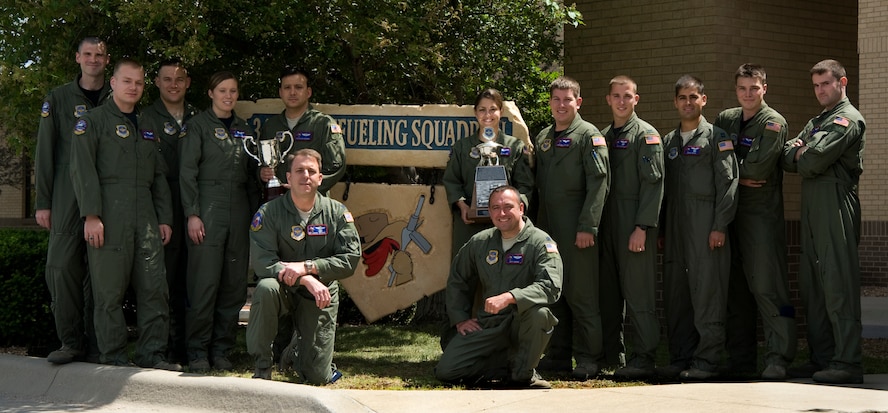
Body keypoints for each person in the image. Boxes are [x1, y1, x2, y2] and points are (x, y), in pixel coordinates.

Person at [69, 58, 179, 371]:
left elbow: (158, 176)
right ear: (113, 83)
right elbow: (82, 171)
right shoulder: (92, 122)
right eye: (127, 81)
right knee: (108, 294)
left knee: (155, 289)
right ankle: (113, 357)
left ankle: (152, 355)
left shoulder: (147, 126)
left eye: (139, 83)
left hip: (145, 218)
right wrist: (91, 215)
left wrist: (164, 217)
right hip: (108, 217)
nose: (133, 87)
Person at [782, 59, 866, 384]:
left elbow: (811, 160)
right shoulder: (818, 121)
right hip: (812, 205)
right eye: (816, 85)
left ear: (842, 83)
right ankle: (822, 357)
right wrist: (804, 153)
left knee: (837, 284)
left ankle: (847, 361)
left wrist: (806, 153)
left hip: (835, 204)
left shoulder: (847, 119)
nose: (820, 91)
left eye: (825, 84)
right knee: (813, 285)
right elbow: (787, 156)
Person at [246, 149, 361, 384]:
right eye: (299, 170)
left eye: (311, 171)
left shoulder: (337, 213)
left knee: (318, 376)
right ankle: (262, 366)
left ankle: (296, 349)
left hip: (320, 295)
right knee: (266, 287)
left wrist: (308, 267)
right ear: (288, 178)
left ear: (321, 178)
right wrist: (305, 277)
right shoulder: (269, 213)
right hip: (282, 288)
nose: (305, 175)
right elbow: (262, 262)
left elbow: (351, 258)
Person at [714, 63, 796, 380]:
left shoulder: (773, 123)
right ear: (736, 90)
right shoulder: (726, 119)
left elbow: (758, 169)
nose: (748, 94)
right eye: (742, 88)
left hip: (761, 217)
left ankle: (779, 357)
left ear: (765, 88)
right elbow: (714, 160)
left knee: (767, 286)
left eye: (754, 88)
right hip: (730, 213)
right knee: (735, 291)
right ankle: (740, 359)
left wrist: (730, 175)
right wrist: (737, 177)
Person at [436, 185, 562, 389]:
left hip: (522, 323)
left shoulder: (540, 242)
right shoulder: (481, 242)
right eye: (495, 208)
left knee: (540, 313)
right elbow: (458, 279)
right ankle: (506, 365)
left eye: (507, 207)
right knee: (447, 371)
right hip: (490, 323)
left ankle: (523, 373)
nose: (501, 213)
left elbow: (551, 286)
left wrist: (511, 297)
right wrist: (460, 319)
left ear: (521, 208)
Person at [34, 36, 111, 364]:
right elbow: (45, 153)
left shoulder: (117, 96)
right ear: (77, 57)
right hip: (66, 196)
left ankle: (96, 346)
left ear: (107, 61)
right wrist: (43, 201)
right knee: (61, 267)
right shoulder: (59, 98)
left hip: (107, 195)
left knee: (101, 272)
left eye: (100, 55)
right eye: (88, 54)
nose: (94, 59)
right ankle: (70, 342)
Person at [179, 71, 259, 372]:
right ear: (211, 93)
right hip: (207, 206)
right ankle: (197, 350)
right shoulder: (197, 127)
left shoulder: (245, 129)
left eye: (233, 91)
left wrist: (254, 215)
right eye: (222, 90)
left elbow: (252, 177)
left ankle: (222, 349)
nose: (228, 96)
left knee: (233, 284)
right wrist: (192, 214)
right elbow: (187, 173)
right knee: (204, 282)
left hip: (238, 207)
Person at [660, 75, 738, 380]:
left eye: (694, 97)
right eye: (683, 97)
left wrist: (720, 225)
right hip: (676, 228)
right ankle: (681, 356)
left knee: (707, 292)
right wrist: (663, 230)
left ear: (703, 100)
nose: (688, 103)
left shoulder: (717, 138)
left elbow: (728, 184)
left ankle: (707, 360)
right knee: (677, 294)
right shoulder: (669, 141)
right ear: (675, 102)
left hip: (707, 225)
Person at [534, 76, 610, 380]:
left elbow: (599, 183)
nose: (561, 105)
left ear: (578, 102)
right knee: (554, 292)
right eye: (556, 99)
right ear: (550, 103)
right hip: (547, 229)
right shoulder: (543, 137)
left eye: (568, 99)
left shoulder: (589, 136)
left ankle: (590, 358)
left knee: (582, 294)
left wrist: (588, 226)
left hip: (577, 228)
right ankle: (558, 355)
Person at [598, 75, 664, 379]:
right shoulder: (602, 135)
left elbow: (654, 185)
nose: (622, 101)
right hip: (607, 225)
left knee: (639, 294)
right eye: (617, 96)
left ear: (636, 99)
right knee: (608, 295)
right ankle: (613, 354)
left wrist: (642, 226)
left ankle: (644, 356)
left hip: (633, 223)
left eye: (628, 96)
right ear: (609, 99)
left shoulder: (646, 135)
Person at [140, 58, 198, 364]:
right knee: (163, 279)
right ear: (158, 83)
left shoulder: (199, 117)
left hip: (194, 206)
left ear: (187, 83)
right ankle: (159, 347)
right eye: (167, 79)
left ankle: (188, 346)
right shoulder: (145, 117)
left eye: (179, 79)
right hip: (162, 207)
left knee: (191, 279)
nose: (173, 84)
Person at [443, 88, 534, 258]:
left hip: (505, 225)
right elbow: (452, 181)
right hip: (470, 225)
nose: (487, 115)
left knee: (504, 273)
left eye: (493, 109)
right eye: (482, 110)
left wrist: (512, 211)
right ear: (475, 112)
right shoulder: (462, 147)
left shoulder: (515, 147)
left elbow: (525, 185)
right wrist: (463, 206)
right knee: (467, 272)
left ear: (501, 111)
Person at [259, 66, 346, 196]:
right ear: (280, 92)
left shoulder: (323, 124)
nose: (292, 92)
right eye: (287, 88)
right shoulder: (271, 126)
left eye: (298, 87)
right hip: (277, 203)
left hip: (312, 203)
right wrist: (261, 173)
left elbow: (336, 167)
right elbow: (257, 164)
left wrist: (308, 187)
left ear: (308, 92)